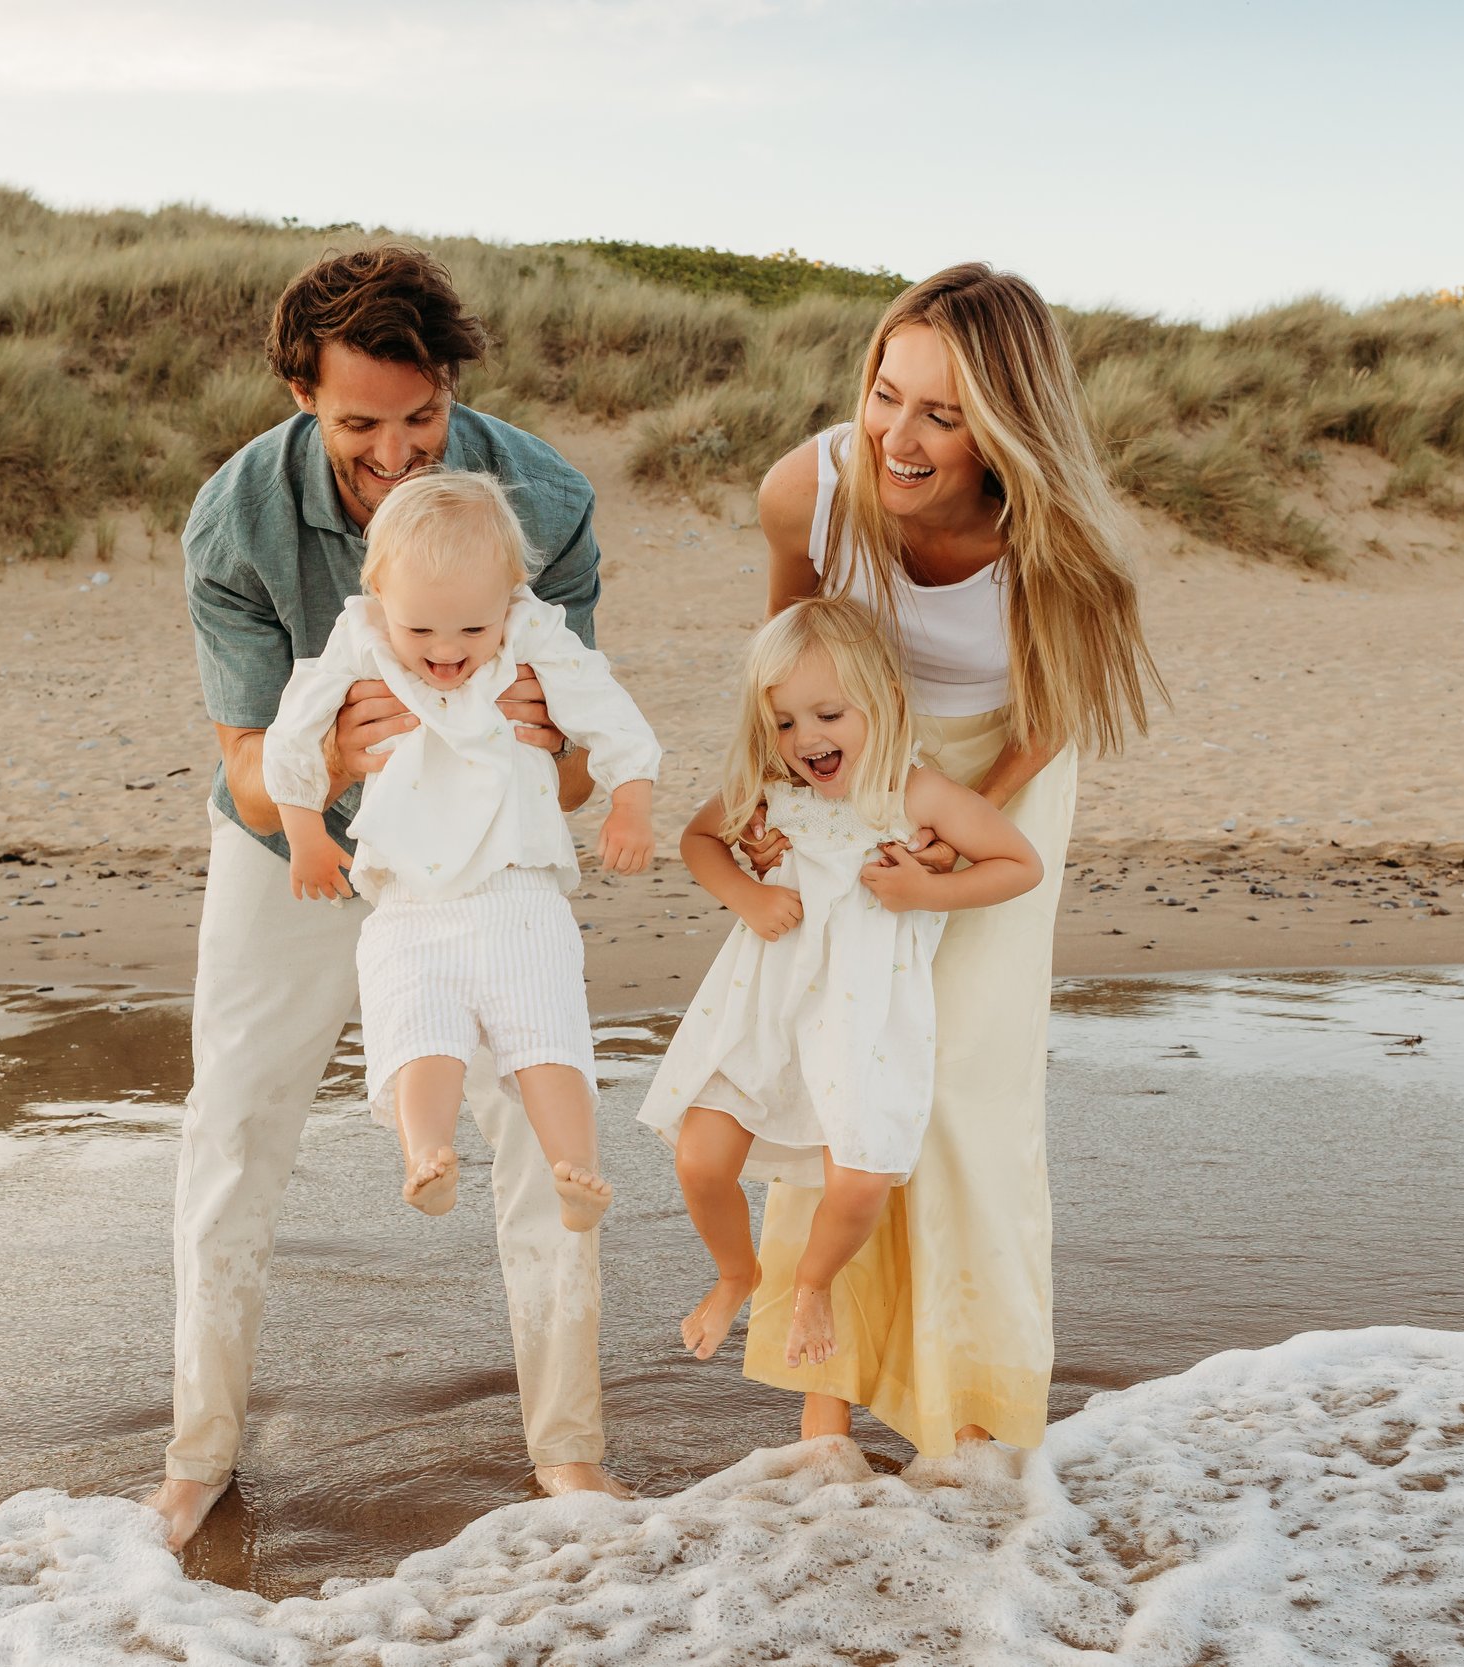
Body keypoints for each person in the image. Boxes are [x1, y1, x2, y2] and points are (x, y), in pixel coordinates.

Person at [149, 245, 632, 1553]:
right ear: (301, 393)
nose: (400, 451)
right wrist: (327, 764)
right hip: (292, 854)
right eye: (361, 423)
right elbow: (248, 772)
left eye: (422, 418)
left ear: (452, 386)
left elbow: (578, 769)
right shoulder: (237, 516)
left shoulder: (546, 497)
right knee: (236, 1124)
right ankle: (198, 1457)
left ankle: (570, 1450)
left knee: (547, 1125)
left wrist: (556, 738)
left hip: (480, 856)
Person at [741, 263, 1159, 1460]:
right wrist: (782, 800)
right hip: (854, 764)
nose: (900, 437)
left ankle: (969, 1414)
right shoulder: (807, 493)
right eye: (886, 395)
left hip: (1000, 783)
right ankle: (824, 1408)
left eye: (944, 412)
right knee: (845, 1066)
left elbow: (1051, 711)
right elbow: (789, 657)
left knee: (962, 1088)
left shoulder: (1061, 540)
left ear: (1007, 425)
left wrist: (963, 819)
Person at [640, 596, 1041, 1371]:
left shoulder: (916, 798)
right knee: (699, 1158)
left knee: (859, 1182)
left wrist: (930, 892)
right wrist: (747, 894)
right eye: (785, 723)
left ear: (884, 702)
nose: (807, 739)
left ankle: (814, 1281)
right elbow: (697, 838)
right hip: (763, 1009)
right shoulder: (773, 792)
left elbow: (1019, 863)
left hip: (862, 1025)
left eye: (828, 714)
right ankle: (737, 1271)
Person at [262, 469, 659, 1229]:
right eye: (422, 632)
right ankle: (427, 1154)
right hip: (410, 895)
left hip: (519, 883)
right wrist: (306, 830)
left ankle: (574, 1165)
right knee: (415, 1023)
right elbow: (292, 731)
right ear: (380, 596)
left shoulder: (530, 629)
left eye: (472, 631)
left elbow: (603, 704)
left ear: (508, 598)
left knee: (548, 1029)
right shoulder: (363, 634)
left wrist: (630, 797)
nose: (446, 652)